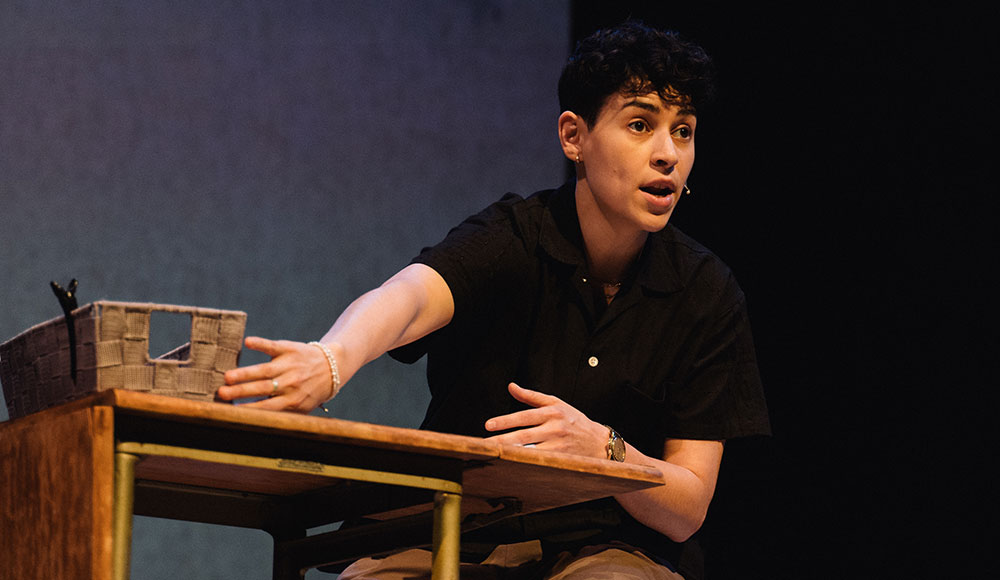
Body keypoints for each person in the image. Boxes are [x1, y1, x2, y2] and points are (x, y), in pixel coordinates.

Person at [217, 21, 770, 580]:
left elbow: (687, 507)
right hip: (452, 530)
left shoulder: (705, 291)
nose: (667, 154)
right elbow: (409, 296)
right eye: (639, 125)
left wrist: (606, 449)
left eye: (683, 131)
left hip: (604, 548)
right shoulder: (512, 237)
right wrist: (332, 358)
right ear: (573, 136)